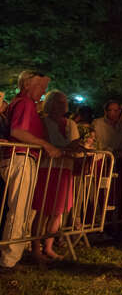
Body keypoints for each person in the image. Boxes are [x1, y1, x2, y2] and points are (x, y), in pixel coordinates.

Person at [0, 70, 61, 271]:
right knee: (19, 210)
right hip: (21, 158)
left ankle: (12, 256)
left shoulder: (19, 103)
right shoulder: (25, 104)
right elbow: (17, 131)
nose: (43, 92)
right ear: (27, 85)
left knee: (17, 210)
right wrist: (45, 144)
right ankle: (9, 260)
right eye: (40, 87)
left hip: (19, 158)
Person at [31, 90, 80, 261]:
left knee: (58, 211)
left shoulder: (71, 124)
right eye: (58, 102)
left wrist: (67, 150)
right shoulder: (43, 122)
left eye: (64, 102)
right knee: (43, 210)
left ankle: (49, 247)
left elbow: (74, 146)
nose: (62, 106)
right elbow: (46, 144)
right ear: (50, 104)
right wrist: (61, 150)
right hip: (48, 169)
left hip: (65, 169)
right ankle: (36, 248)